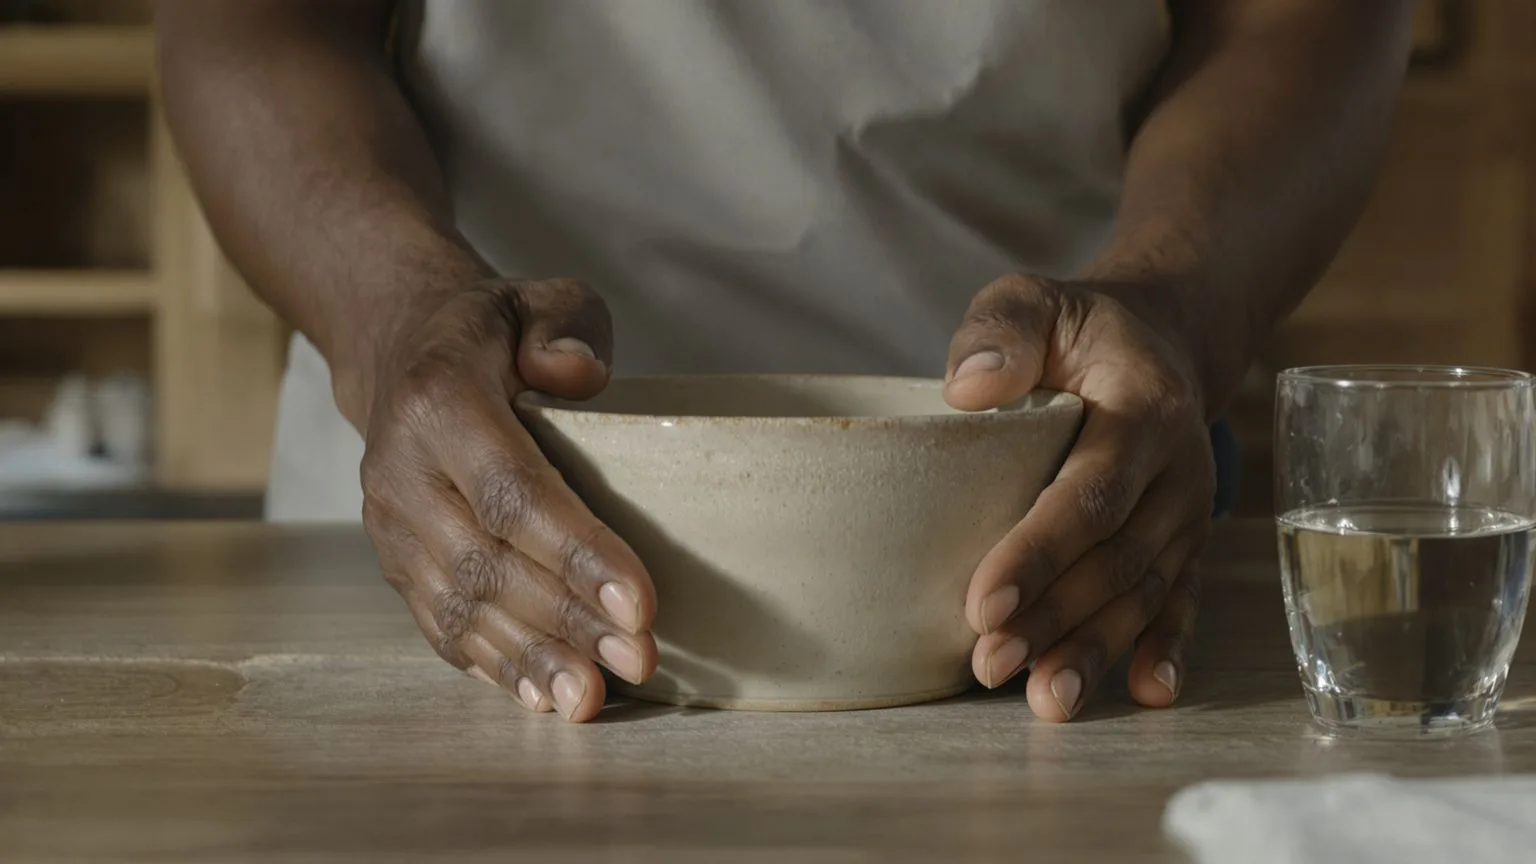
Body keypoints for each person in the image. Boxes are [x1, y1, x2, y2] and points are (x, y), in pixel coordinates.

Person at [154, 1, 1415, 723]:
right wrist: (393, 319)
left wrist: (1178, 302)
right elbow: (250, 22)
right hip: (462, 563)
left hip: (1058, 567)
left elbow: (1299, 20)